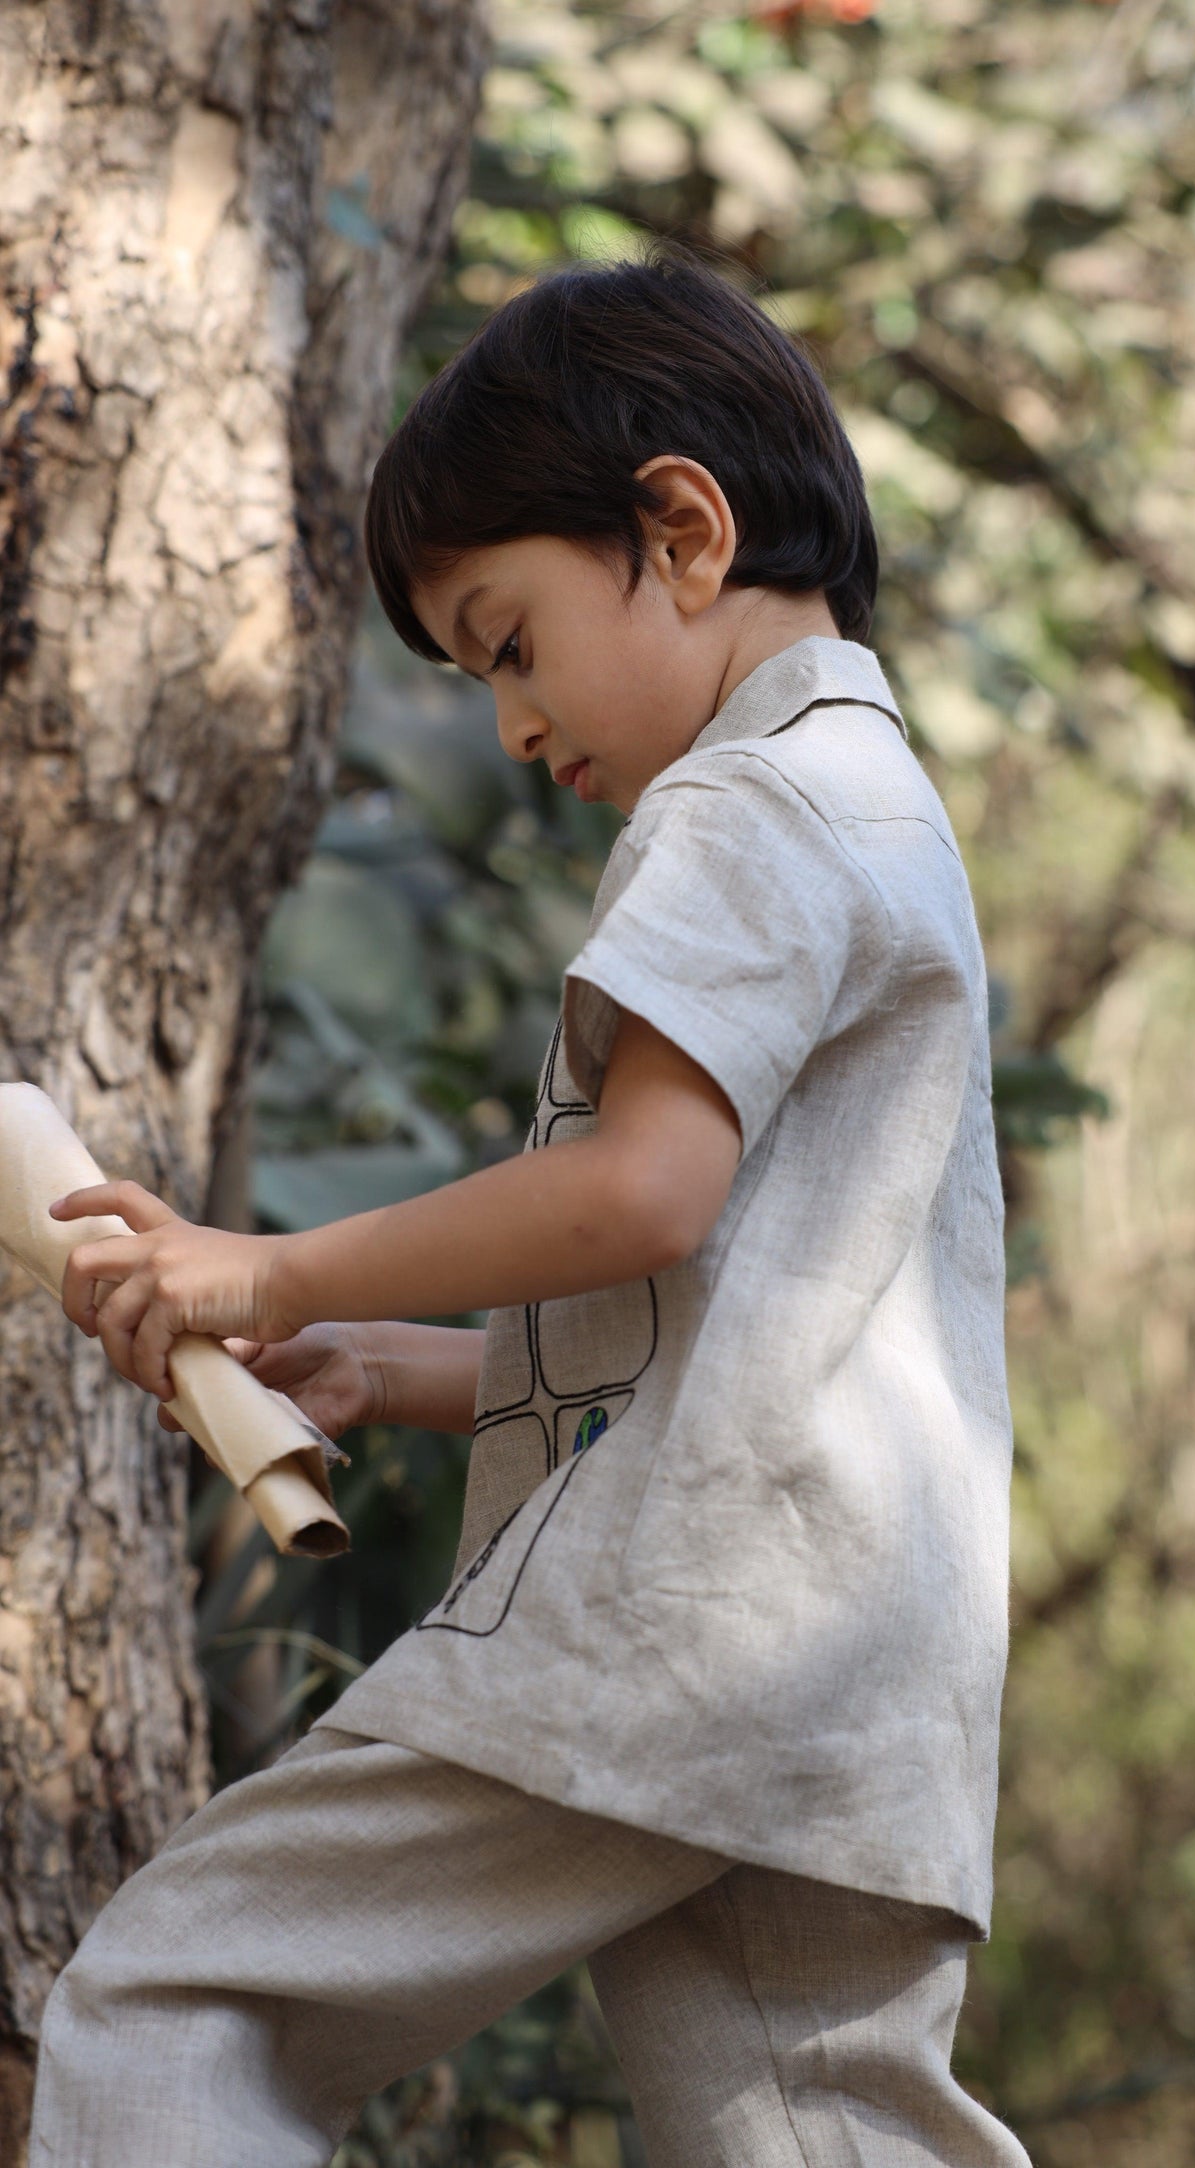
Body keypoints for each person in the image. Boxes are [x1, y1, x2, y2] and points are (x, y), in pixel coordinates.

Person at [30, 244, 1030, 2168]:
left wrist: (265, 1261)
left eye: (505, 640)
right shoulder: (878, 801)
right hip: (849, 1683)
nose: (505, 720)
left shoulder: (747, 804)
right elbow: (739, 1320)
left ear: (677, 532)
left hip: (680, 1639)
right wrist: (386, 1362)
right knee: (820, 2136)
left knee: (179, 2001)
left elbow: (640, 1195)